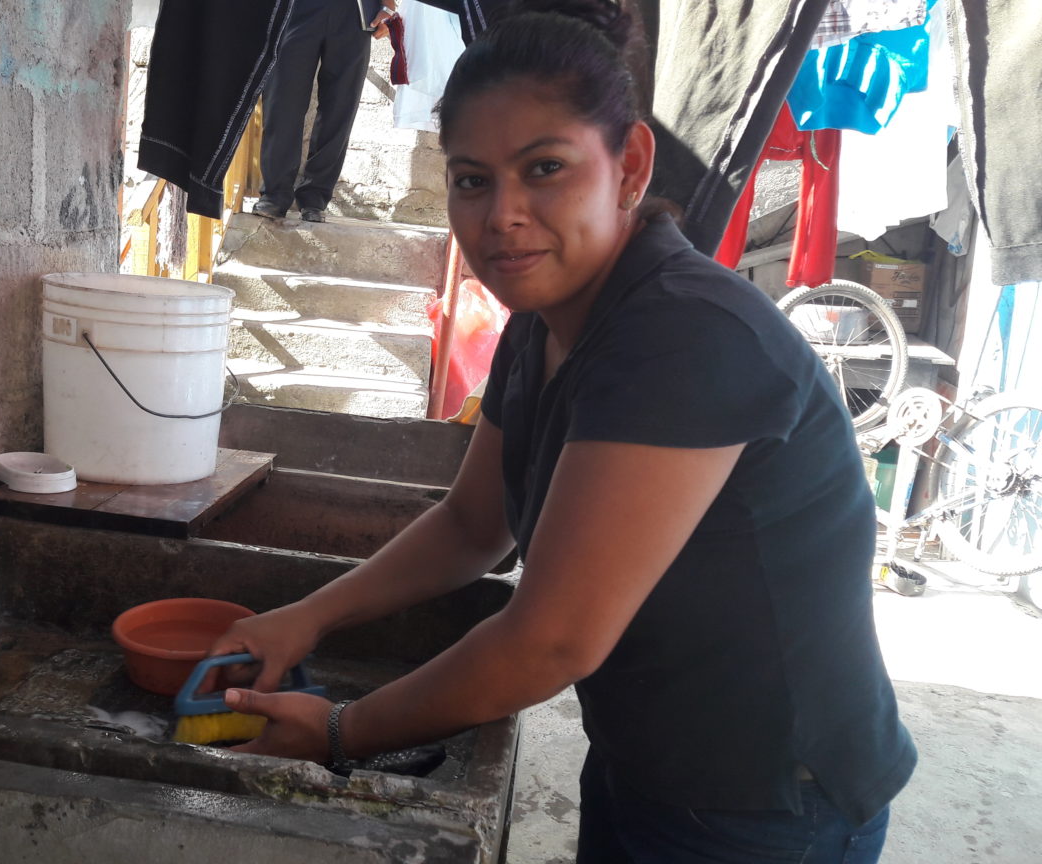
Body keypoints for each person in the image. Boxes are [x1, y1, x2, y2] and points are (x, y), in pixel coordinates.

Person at [208, 1, 917, 860]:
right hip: (647, 756)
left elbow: (551, 641)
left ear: (630, 166)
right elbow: (473, 525)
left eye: (545, 168)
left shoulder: (682, 334)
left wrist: (338, 731)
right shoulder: (542, 323)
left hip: (770, 802)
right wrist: (307, 617)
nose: (502, 215)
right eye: (472, 180)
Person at [252, 0, 397, 223]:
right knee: (282, 102)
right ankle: (274, 195)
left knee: (340, 108)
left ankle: (315, 197)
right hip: (295, 9)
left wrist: (388, 6)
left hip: (355, 12)